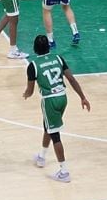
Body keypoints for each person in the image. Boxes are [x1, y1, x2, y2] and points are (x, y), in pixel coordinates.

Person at [24, 34, 90, 183]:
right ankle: (41, 157)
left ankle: (64, 172)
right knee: (48, 126)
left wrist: (25, 94)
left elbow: (30, 90)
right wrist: (83, 97)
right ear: (48, 46)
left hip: (50, 100)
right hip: (63, 98)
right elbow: (71, 79)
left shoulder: (33, 65)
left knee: (55, 135)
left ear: (35, 48)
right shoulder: (58, 58)